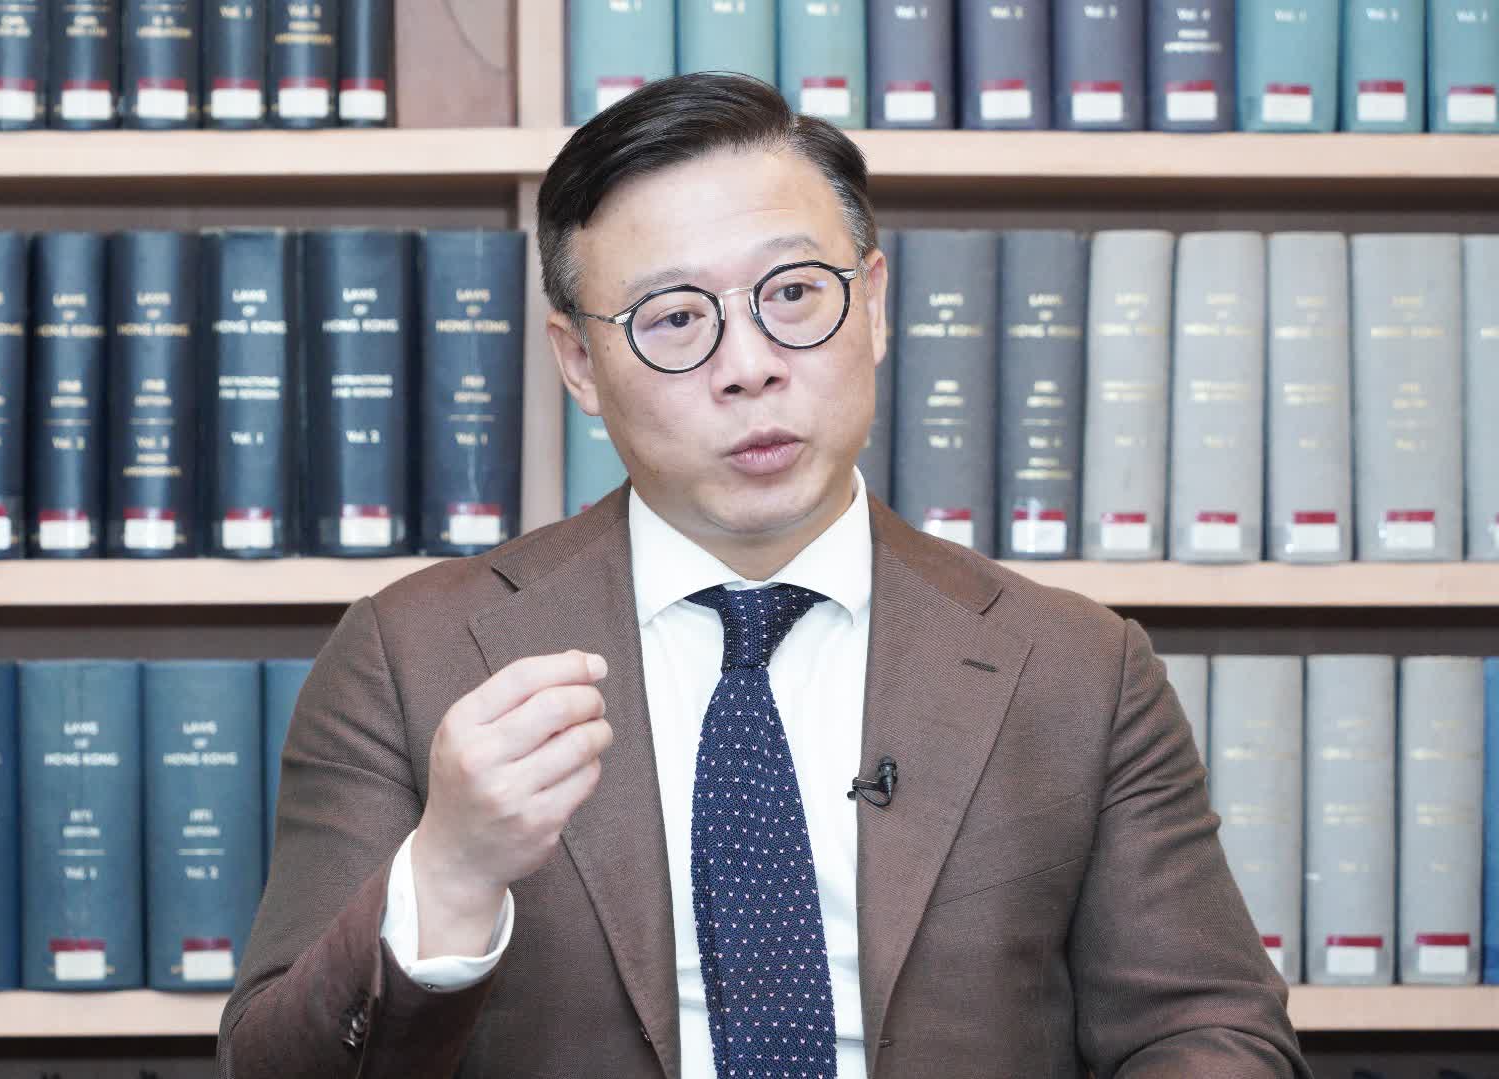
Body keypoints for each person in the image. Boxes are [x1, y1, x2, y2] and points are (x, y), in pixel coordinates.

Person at [217, 72, 1309, 1078]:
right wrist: (448, 874)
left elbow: (1212, 1032)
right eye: (675, 319)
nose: (749, 366)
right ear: (579, 363)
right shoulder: (412, 658)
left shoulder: (1078, 667)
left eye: (793, 292)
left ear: (873, 304)